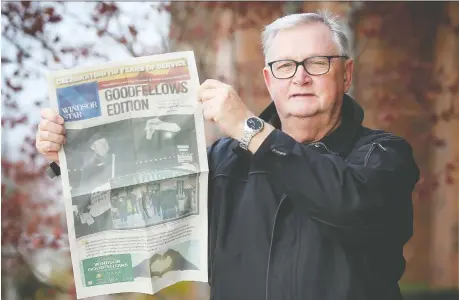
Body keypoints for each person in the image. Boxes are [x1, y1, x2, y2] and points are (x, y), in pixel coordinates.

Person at [36, 11, 419, 300]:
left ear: (346, 75)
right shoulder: (225, 160)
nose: (300, 77)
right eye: (285, 66)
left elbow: (346, 203)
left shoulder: (383, 155)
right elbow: (145, 212)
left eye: (317, 63)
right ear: (270, 80)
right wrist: (72, 152)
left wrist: (250, 129)